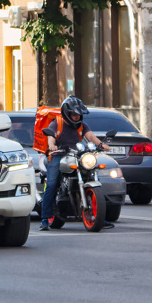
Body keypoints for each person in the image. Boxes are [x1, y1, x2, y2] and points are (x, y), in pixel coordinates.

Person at [40, 96, 110, 231]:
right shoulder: (56, 123)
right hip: (58, 155)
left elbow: (90, 137)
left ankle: (100, 215)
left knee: (92, 175)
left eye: (79, 114)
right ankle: (45, 218)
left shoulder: (82, 125)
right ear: (67, 112)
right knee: (52, 184)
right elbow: (51, 138)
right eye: (74, 114)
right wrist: (52, 145)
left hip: (76, 154)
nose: (77, 117)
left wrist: (101, 144)